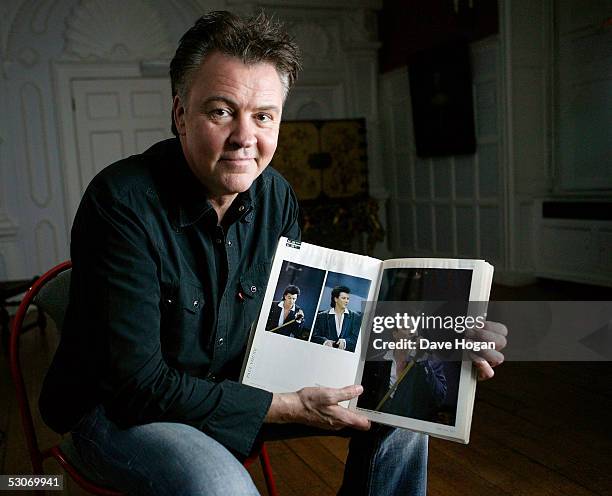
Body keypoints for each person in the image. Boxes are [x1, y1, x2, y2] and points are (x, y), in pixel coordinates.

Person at [39, 11, 507, 496]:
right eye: (221, 111)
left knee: (402, 412)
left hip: (231, 389)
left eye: (263, 116)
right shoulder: (120, 202)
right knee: (221, 484)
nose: (245, 138)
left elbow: (307, 323)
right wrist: (283, 405)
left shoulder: (275, 195)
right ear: (180, 114)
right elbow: (136, 387)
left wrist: (437, 337)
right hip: (120, 414)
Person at [311, 285, 361, 352]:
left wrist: (345, 342)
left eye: (348, 298)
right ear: (336, 299)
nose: (347, 301)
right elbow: (314, 336)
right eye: (343, 298)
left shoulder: (355, 316)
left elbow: (357, 338)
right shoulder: (321, 316)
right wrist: (325, 342)